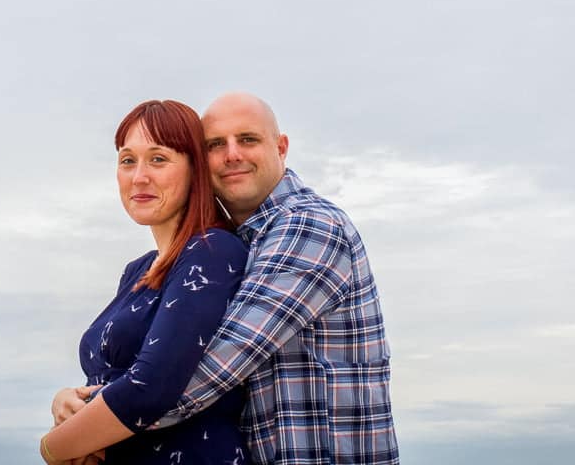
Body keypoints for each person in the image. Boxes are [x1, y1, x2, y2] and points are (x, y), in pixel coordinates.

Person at [56, 92, 400, 465]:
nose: (232, 155)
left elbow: (196, 374)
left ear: (281, 148)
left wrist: (75, 430)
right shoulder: (244, 242)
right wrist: (69, 403)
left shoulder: (307, 225)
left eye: (248, 139)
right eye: (215, 145)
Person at [39, 99, 249, 465]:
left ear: (195, 169)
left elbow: (152, 387)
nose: (139, 177)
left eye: (158, 159)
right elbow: (111, 377)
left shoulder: (211, 251)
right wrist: (66, 401)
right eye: (127, 160)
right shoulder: (137, 270)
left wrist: (53, 448)